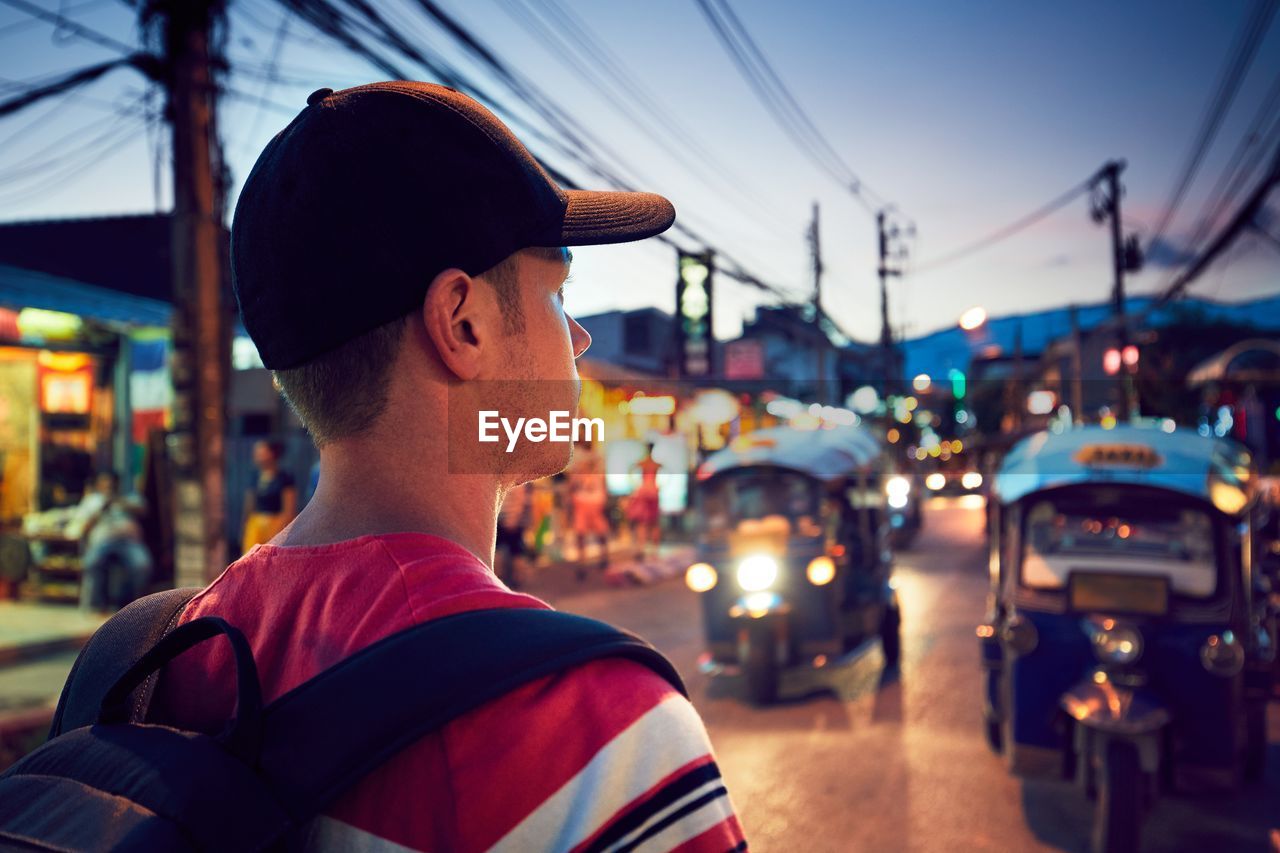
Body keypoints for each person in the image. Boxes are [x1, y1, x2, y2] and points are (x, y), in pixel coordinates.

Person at [152, 82, 744, 852]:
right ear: (462, 323)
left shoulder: (180, 656)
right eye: (558, 296)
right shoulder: (601, 735)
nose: (582, 340)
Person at [67, 471, 152, 612]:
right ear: (99, 484)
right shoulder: (92, 500)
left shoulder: (129, 497)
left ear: (117, 484)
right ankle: (94, 606)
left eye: (111, 482)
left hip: (129, 542)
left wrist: (119, 502)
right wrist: (101, 510)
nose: (108, 485)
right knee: (92, 562)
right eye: (104, 482)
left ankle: (133, 606)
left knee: (142, 565)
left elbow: (143, 510)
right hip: (102, 542)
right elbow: (83, 526)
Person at [240, 439, 298, 553]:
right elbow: (249, 504)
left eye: (262, 452)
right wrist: (245, 525)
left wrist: (280, 532)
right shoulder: (254, 477)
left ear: (272, 454)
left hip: (276, 524)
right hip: (256, 526)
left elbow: (289, 509)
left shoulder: (284, 478)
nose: (258, 456)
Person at [569, 439, 610, 577]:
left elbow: (572, 482)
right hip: (591, 499)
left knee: (584, 533)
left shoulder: (578, 457)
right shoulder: (597, 457)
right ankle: (599, 558)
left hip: (585, 499)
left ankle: (584, 562)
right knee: (594, 531)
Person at [628, 444, 663, 558]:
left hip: (645, 492)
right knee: (652, 522)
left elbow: (631, 470)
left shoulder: (646, 463)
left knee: (644, 522)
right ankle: (651, 550)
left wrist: (636, 486)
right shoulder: (654, 464)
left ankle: (643, 549)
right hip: (651, 492)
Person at [494, 480, 530, 589]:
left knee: (512, 552)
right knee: (514, 552)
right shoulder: (515, 482)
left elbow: (519, 501)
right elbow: (520, 501)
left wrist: (512, 519)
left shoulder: (508, 482)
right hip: (508, 521)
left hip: (508, 521)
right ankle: (509, 580)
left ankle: (512, 580)